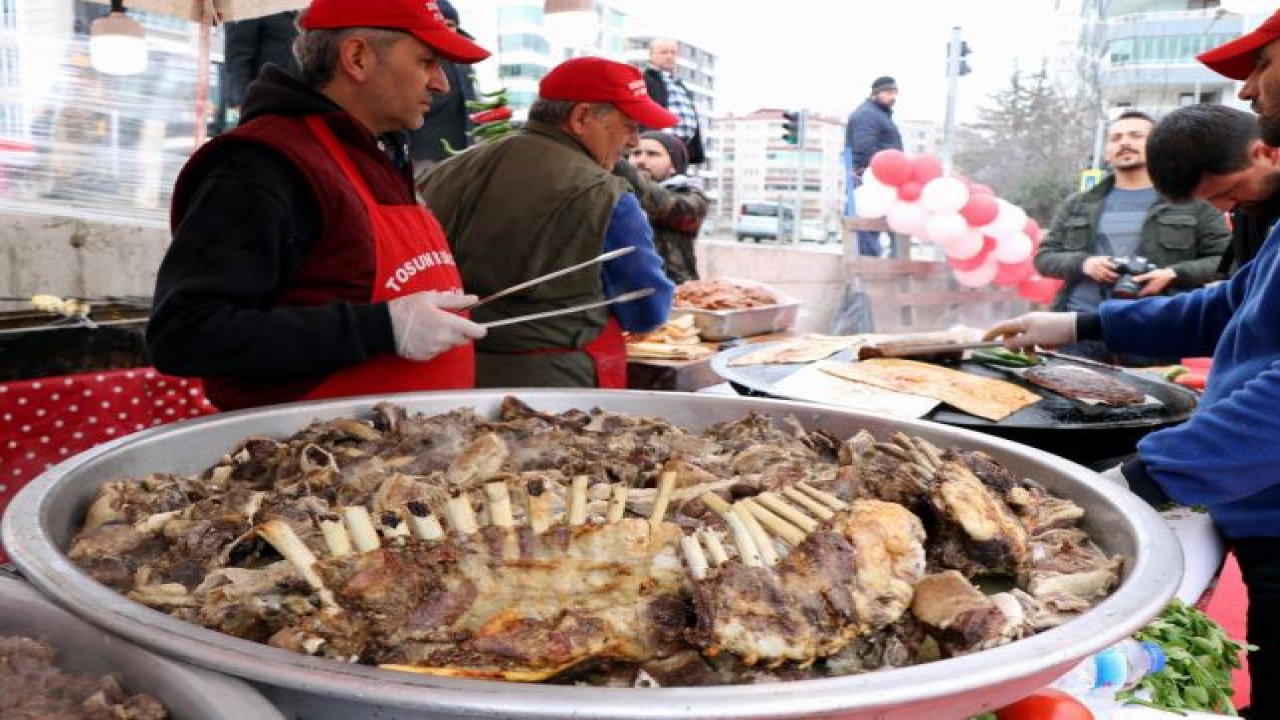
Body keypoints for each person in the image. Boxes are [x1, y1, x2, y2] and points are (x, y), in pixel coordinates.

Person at [986, 12, 1280, 718]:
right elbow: (1224, 305)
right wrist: (1081, 321)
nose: (1246, 94)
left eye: (1261, 64)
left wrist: (1142, 478)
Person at [148, 0, 492, 411]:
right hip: (312, 461)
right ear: (357, 57)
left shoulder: (380, 155)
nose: (442, 85)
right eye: (427, 61)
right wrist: (381, 327)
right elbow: (185, 332)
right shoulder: (263, 165)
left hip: (417, 458)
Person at [421, 56, 676, 389]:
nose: (633, 142)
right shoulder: (601, 192)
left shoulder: (451, 168)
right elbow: (646, 309)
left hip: (450, 372)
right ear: (582, 117)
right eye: (629, 125)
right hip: (554, 386)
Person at [1033, 109, 1229, 366]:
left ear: (1159, 146)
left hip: (1153, 324)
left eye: (1136, 135)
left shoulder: (1192, 201)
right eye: (1116, 138)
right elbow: (1044, 258)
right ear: (1106, 151)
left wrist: (1172, 274)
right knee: (1069, 399)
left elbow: (1227, 261)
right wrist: (1084, 263)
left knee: (1152, 402)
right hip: (1078, 327)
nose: (1124, 142)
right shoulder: (1079, 204)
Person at [1146, 103, 1280, 276]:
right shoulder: (1251, 207)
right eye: (1208, 199)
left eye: (1228, 192)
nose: (1223, 208)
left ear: (1267, 153)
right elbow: (1244, 289)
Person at [621, 130, 709, 284]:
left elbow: (664, 205)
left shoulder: (693, 197)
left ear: (674, 166)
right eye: (635, 153)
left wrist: (624, 170)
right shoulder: (616, 191)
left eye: (652, 154)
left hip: (674, 293)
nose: (641, 160)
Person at [407, 0, 479, 173]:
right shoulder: (418, 58)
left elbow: (470, 100)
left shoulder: (464, 59)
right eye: (442, 24)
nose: (448, 31)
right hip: (424, 153)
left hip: (462, 151)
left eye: (451, 25)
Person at [846, 75, 903, 258]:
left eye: (894, 92)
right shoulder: (867, 115)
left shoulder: (879, 115)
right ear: (875, 94)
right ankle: (868, 262)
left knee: (883, 221)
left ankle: (878, 261)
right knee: (867, 222)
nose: (892, 97)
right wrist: (880, 171)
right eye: (888, 92)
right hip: (870, 178)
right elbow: (864, 148)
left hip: (880, 178)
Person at [222, 11, 301, 129]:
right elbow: (237, 59)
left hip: (296, 104)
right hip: (263, 106)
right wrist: (241, 104)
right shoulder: (250, 6)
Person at [641, 38, 705, 166]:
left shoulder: (680, 84)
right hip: (656, 144)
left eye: (673, 52)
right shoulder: (644, 80)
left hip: (682, 147)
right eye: (664, 52)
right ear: (651, 55)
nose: (669, 56)